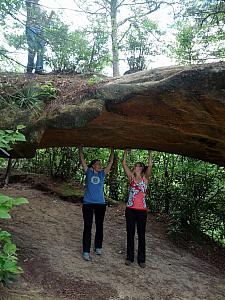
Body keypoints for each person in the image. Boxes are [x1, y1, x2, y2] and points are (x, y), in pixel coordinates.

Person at [79, 147, 114, 261]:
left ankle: (98, 246)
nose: (100, 165)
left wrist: (112, 151)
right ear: (93, 166)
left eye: (100, 164)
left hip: (100, 204)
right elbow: (82, 160)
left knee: (99, 226)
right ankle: (86, 251)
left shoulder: (102, 174)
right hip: (88, 203)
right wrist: (80, 149)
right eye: (98, 164)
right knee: (87, 227)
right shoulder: (88, 172)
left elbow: (110, 163)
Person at [122, 149, 153, 268]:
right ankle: (129, 257)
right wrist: (125, 152)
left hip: (141, 211)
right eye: (136, 166)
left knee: (141, 234)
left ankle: (141, 259)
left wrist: (150, 153)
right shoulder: (131, 178)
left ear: (141, 168)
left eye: (139, 166)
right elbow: (123, 164)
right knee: (130, 233)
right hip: (130, 209)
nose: (136, 167)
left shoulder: (145, 179)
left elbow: (150, 165)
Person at [25, 0, 54, 74]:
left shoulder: (42, 9)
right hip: (31, 27)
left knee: (41, 49)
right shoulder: (29, 3)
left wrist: (51, 15)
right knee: (32, 47)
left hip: (41, 29)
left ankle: (39, 69)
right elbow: (27, 4)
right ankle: (29, 68)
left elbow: (46, 22)